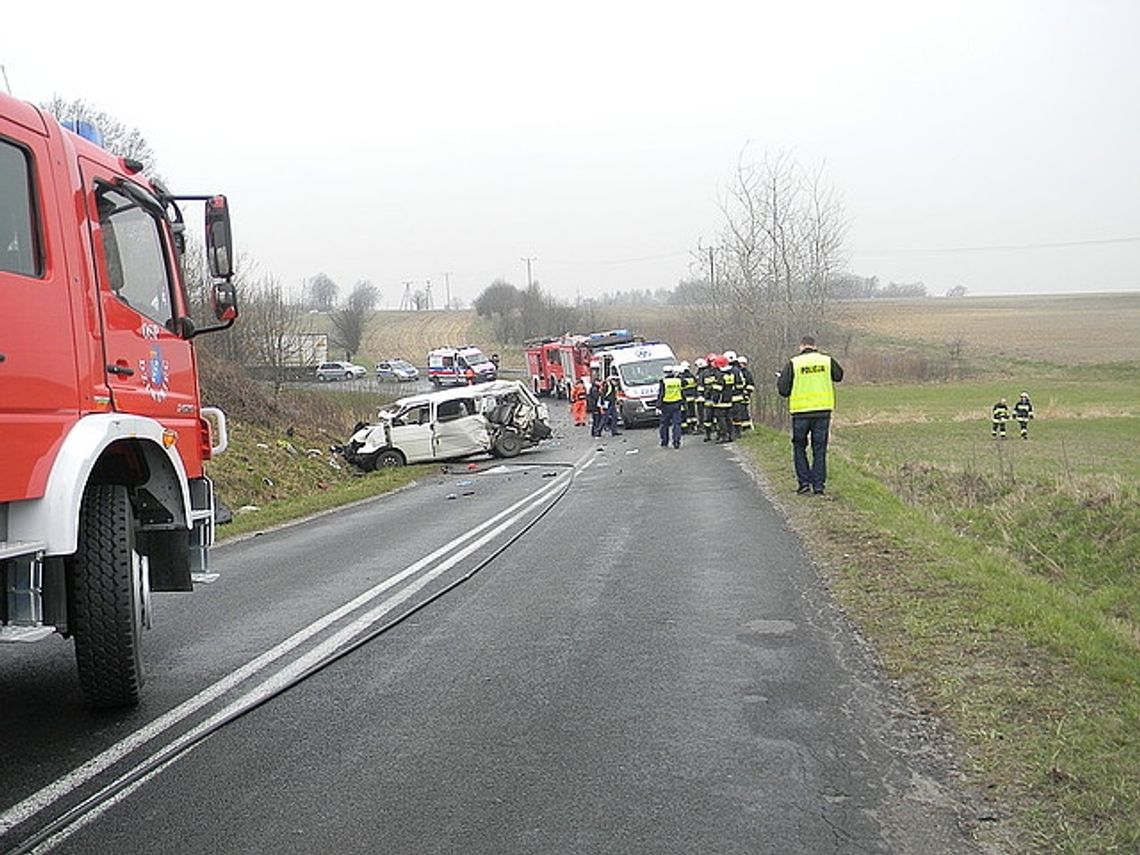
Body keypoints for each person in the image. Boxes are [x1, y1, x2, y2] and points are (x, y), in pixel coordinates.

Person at [777, 335, 844, 495]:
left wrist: (780, 380)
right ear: (815, 346)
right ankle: (819, 485)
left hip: (800, 412)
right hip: (822, 410)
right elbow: (839, 376)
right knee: (819, 448)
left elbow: (783, 390)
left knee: (799, 447)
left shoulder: (793, 363)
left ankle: (804, 483)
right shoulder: (826, 360)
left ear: (801, 346)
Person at [655, 364, 684, 449]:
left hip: (666, 405)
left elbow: (661, 394)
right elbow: (684, 386)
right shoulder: (678, 381)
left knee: (664, 424)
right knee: (677, 424)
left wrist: (658, 406)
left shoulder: (663, 382)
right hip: (677, 405)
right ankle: (676, 442)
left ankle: (664, 441)